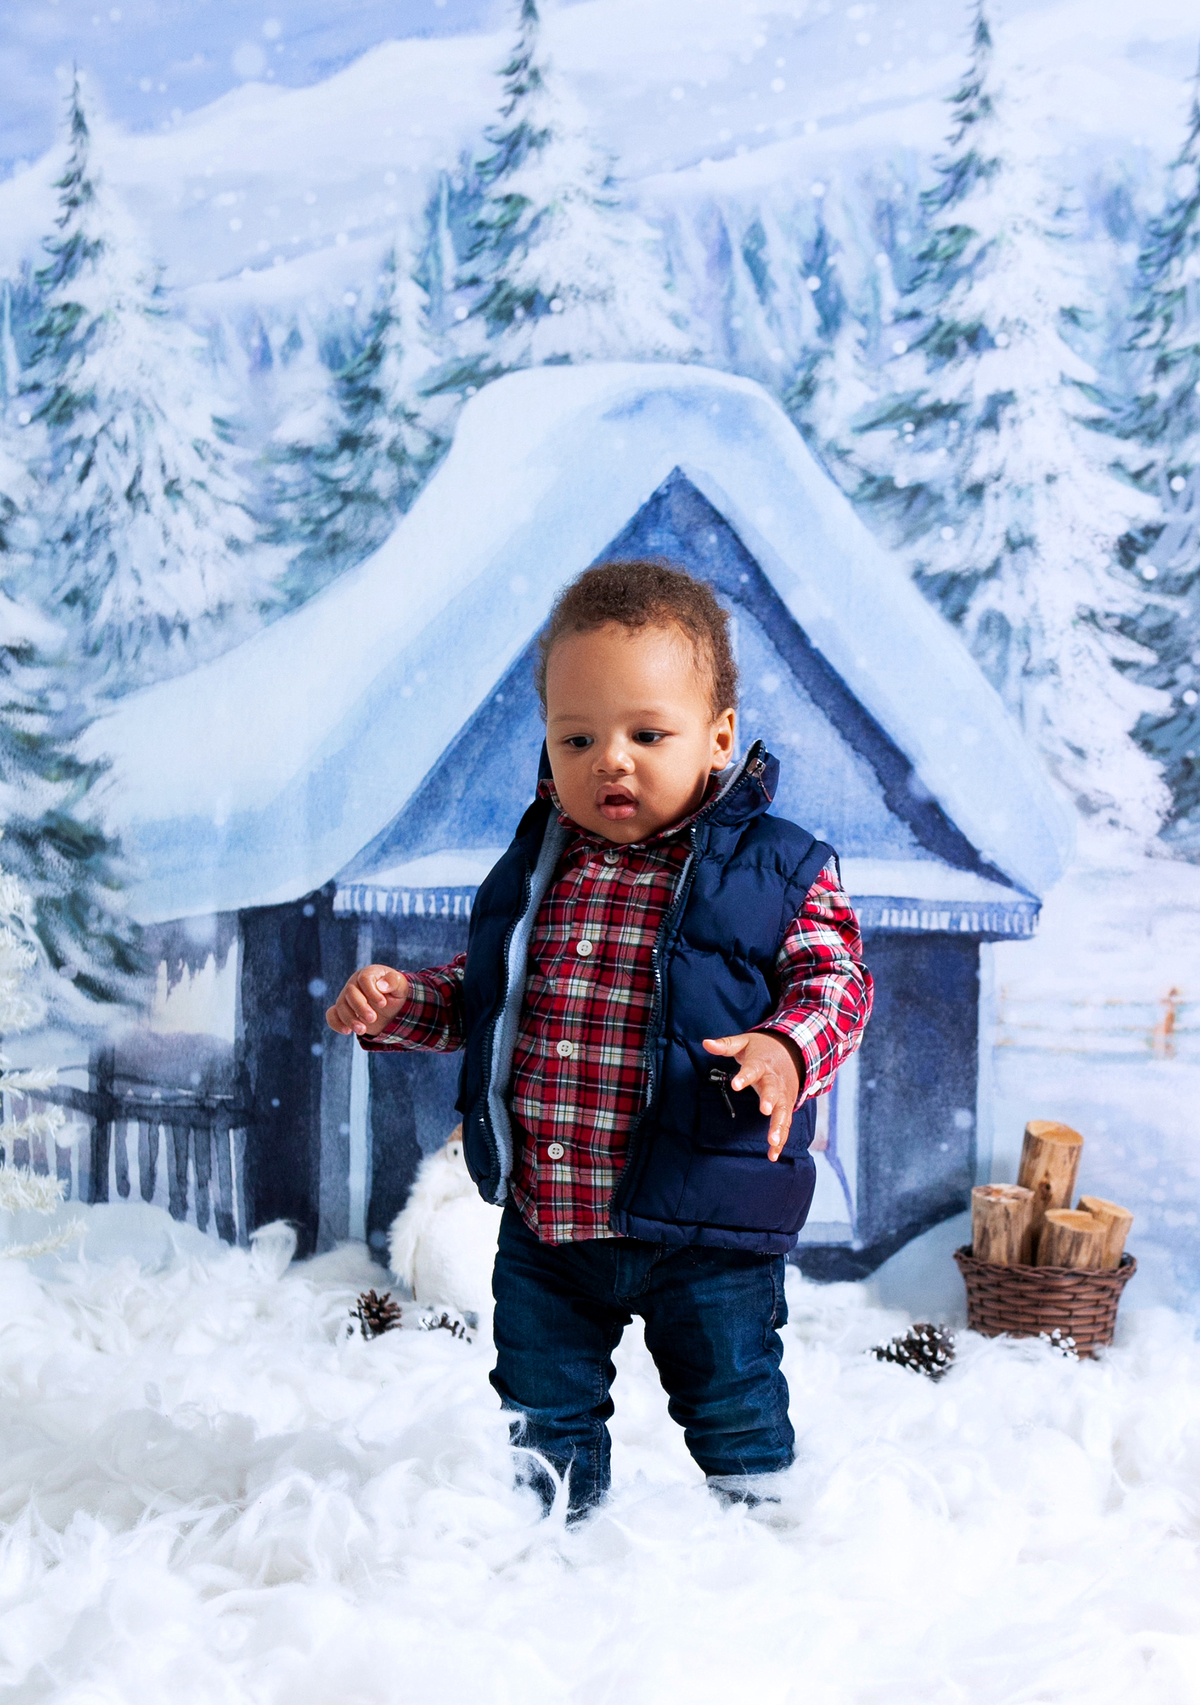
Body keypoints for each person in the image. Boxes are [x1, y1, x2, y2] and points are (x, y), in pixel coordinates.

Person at [326, 559, 873, 1516]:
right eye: (577, 737)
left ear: (719, 738)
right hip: (550, 1215)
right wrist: (401, 1003)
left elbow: (838, 982)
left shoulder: (778, 867)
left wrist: (787, 1047)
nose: (609, 760)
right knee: (540, 1400)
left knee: (732, 1394)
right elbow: (490, 996)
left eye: (646, 734)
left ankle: (768, 1529)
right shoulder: (540, 862)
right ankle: (556, 1532)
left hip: (703, 1223)